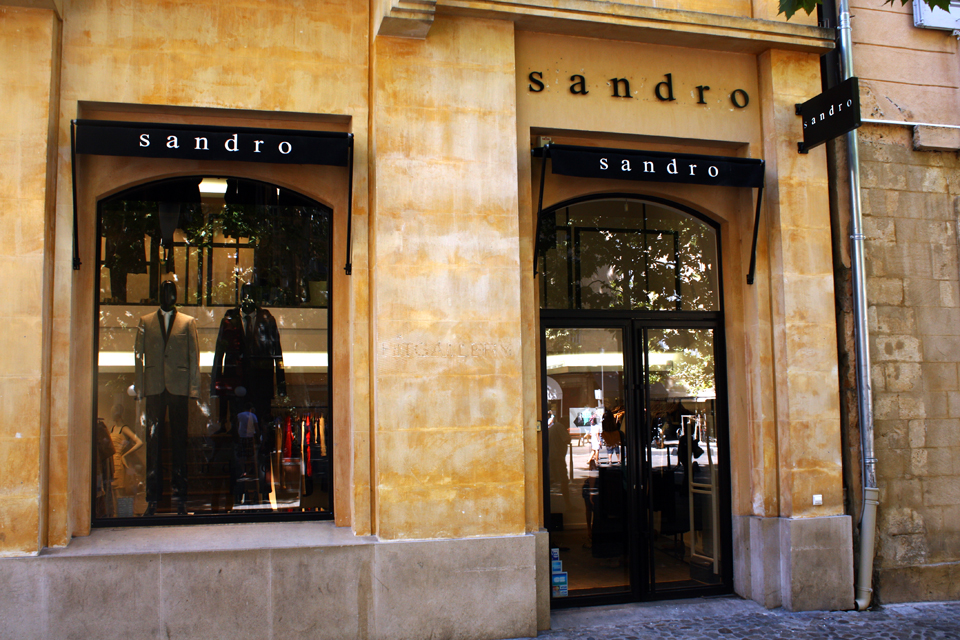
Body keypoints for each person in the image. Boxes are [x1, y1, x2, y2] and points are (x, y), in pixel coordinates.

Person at [134, 280, 199, 516]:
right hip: (154, 387)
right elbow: (138, 356)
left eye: (171, 292)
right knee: (153, 443)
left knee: (180, 442)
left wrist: (193, 389)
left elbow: (194, 355)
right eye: (163, 291)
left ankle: (180, 497)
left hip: (179, 388)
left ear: (176, 295)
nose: (168, 295)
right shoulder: (145, 321)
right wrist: (140, 388)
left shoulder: (188, 322)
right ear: (158, 295)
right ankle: (152, 498)